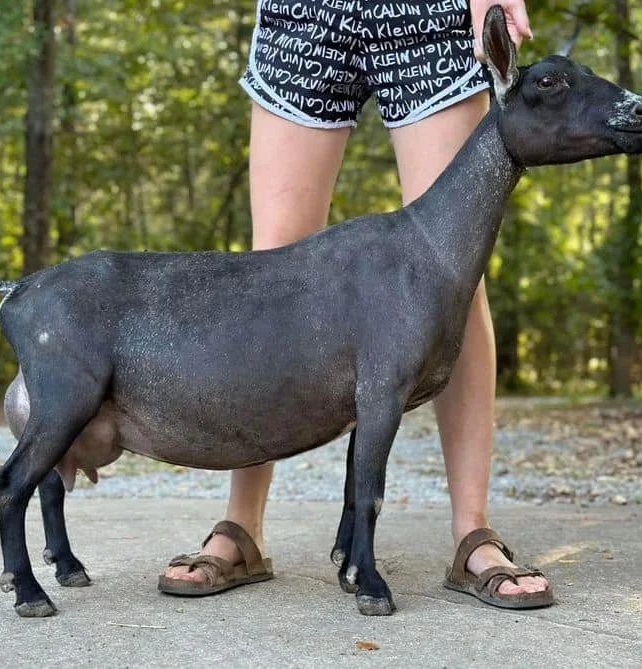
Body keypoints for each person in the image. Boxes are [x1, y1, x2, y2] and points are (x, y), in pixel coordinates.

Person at [159, 0, 553, 608]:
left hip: (429, 14)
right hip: (308, 14)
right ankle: (243, 525)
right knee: (271, 274)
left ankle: (473, 533)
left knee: (454, 273)